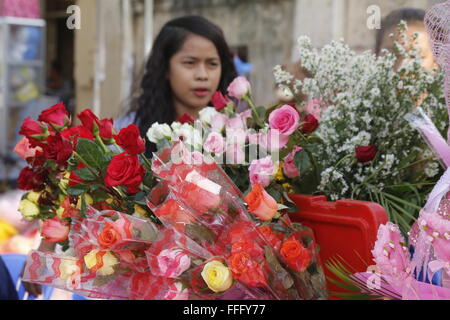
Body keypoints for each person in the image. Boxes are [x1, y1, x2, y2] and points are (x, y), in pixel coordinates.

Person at [116, 15, 237, 157]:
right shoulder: (126, 134)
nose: (203, 75)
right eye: (190, 63)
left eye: (212, 64)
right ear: (165, 68)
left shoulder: (239, 133)